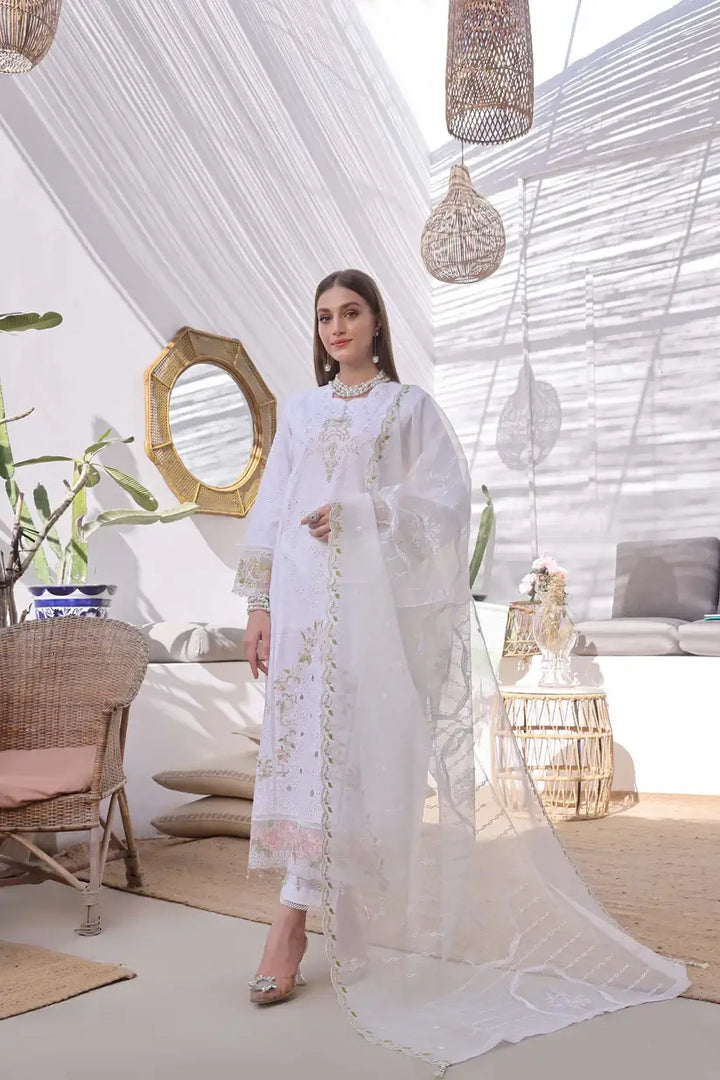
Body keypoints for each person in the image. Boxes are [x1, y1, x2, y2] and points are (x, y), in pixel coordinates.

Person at [233, 269, 688, 1078]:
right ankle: (298, 921)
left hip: (374, 610)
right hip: (303, 607)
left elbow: (444, 507)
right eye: (325, 316)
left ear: (377, 322)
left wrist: (369, 511)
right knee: (306, 755)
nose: (337, 327)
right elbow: (272, 509)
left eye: (351, 312)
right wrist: (260, 603)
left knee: (362, 759)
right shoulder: (301, 412)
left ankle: (306, 921)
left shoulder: (409, 409)